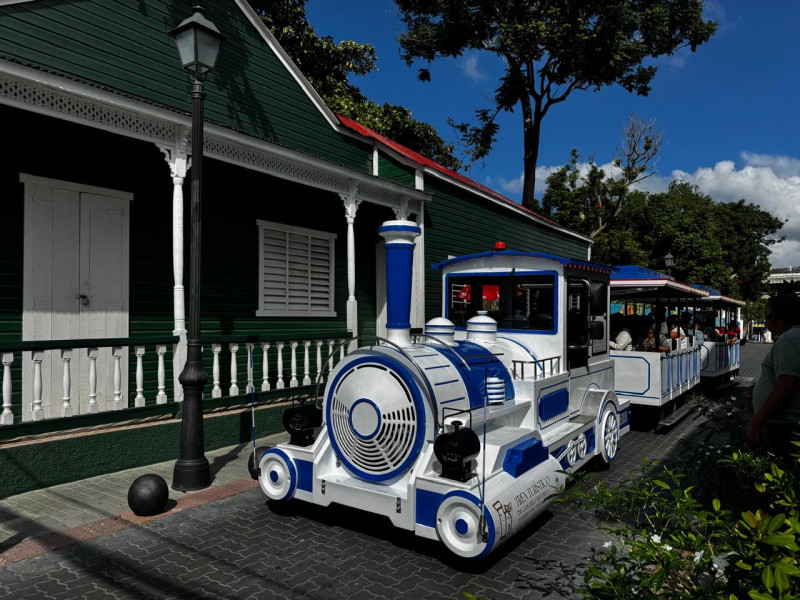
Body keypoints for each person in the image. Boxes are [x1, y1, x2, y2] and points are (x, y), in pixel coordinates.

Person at [746, 295, 800, 456]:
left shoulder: (788, 340)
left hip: (784, 426)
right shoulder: (793, 337)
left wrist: (756, 423)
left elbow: (786, 386)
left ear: (772, 316)